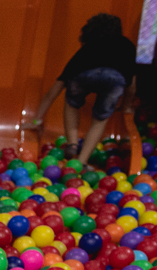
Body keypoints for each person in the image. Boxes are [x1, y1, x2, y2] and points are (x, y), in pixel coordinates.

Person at [29, 13, 137, 165]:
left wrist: (36, 120)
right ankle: (81, 162)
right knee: (99, 120)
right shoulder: (127, 46)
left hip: (83, 76)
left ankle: (72, 144)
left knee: (71, 103)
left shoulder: (87, 50)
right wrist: (127, 105)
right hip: (115, 79)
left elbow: (53, 91)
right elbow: (131, 84)